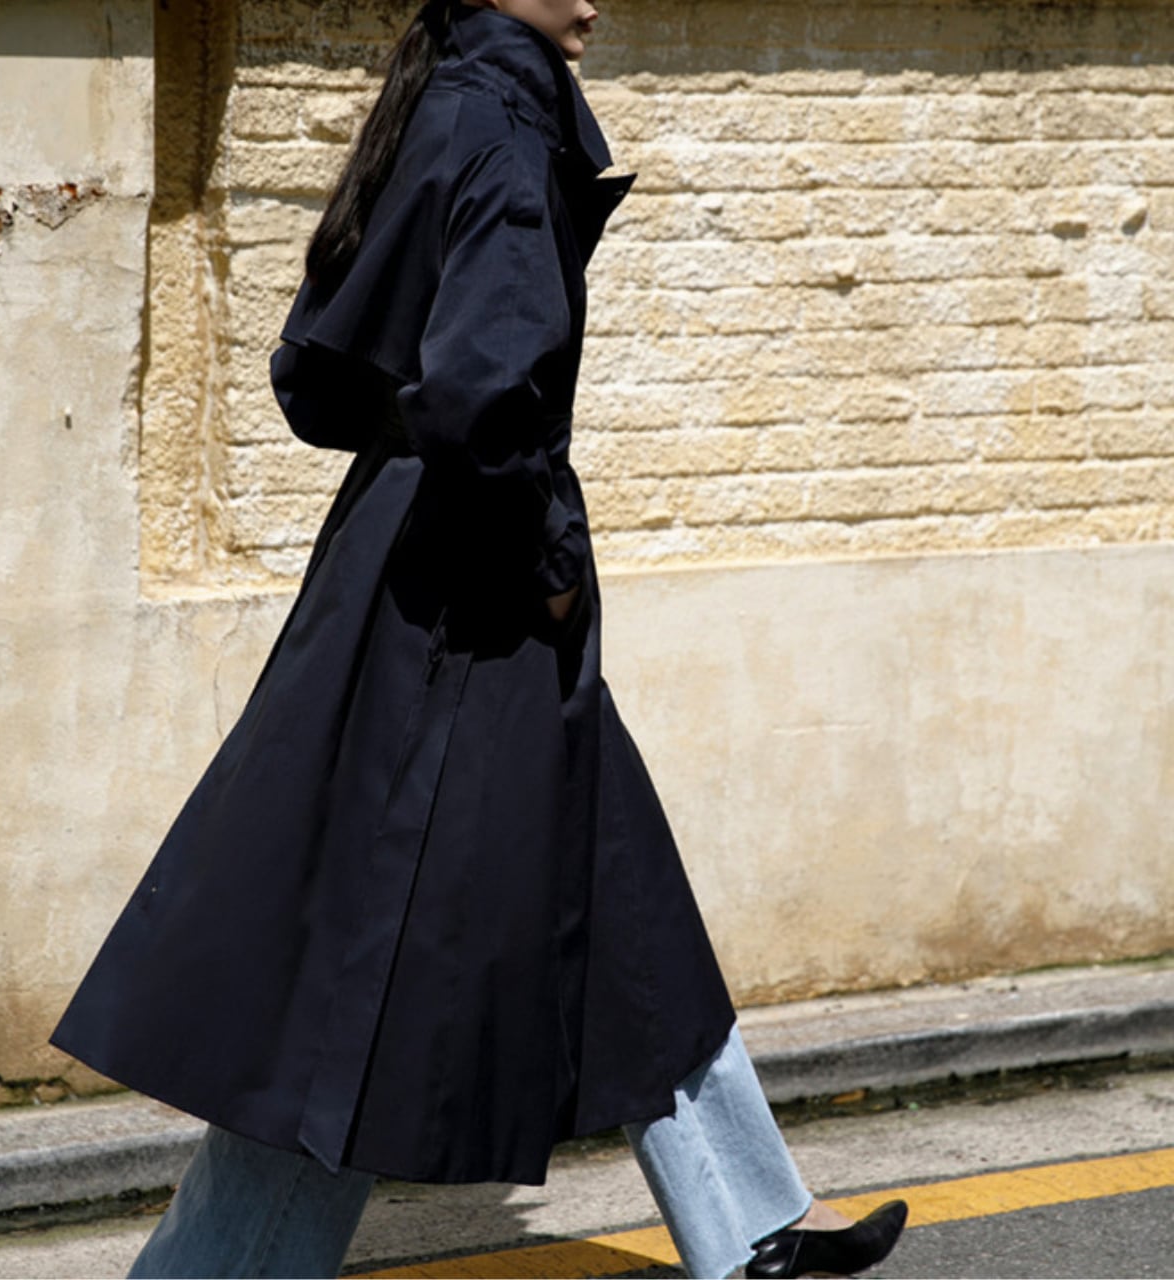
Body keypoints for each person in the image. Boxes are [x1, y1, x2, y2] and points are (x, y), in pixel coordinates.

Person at [50, 1, 909, 1276]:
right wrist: (550, 570)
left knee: (618, 890)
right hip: (466, 599)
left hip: (413, 558)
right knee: (361, 973)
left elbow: (316, 374)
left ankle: (751, 1228)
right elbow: (481, 396)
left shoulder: (435, 106)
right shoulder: (501, 129)